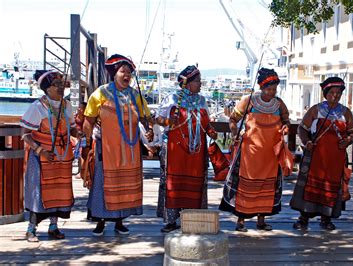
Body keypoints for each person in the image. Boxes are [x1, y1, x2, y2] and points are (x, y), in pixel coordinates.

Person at [82, 54, 152, 236]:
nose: (126, 75)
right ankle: (100, 222)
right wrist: (87, 143)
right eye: (123, 71)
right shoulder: (100, 93)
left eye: (129, 72)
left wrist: (149, 127)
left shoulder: (135, 95)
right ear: (115, 73)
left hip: (128, 148)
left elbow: (146, 117)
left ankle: (120, 221)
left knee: (123, 183)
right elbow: (88, 120)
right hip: (105, 148)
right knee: (102, 183)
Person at [219, 68, 290, 232]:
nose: (272, 92)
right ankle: (241, 221)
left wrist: (286, 127)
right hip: (250, 153)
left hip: (271, 154)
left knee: (267, 185)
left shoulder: (279, 104)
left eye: (274, 89)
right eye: (269, 89)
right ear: (261, 87)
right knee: (246, 184)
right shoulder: (248, 101)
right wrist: (235, 132)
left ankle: (261, 220)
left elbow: (286, 120)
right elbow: (233, 119)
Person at [20, 70, 81, 242]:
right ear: (47, 89)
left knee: (59, 191)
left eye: (62, 84)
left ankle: (53, 227)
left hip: (61, 156)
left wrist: (78, 133)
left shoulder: (66, 106)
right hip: (42, 157)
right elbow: (25, 134)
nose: (61, 88)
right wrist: (41, 151)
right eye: (56, 85)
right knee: (38, 192)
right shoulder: (37, 107)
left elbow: (71, 126)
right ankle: (31, 230)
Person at [155, 65, 217, 233]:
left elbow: (205, 123)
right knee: (173, 183)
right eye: (197, 81)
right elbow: (159, 119)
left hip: (196, 152)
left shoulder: (202, 101)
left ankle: (192, 218)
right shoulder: (172, 99)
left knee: (195, 183)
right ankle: (170, 220)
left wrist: (211, 131)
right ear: (187, 83)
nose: (200, 84)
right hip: (176, 150)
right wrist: (169, 122)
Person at [290, 77, 353, 231]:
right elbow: (302, 129)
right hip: (316, 156)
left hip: (336, 158)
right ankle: (304, 218)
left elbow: (352, 132)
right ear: (325, 94)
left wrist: (347, 141)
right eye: (332, 92)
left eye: (338, 93)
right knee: (310, 186)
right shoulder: (316, 110)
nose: (335, 96)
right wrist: (307, 142)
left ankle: (326, 218)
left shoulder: (345, 112)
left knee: (331, 187)